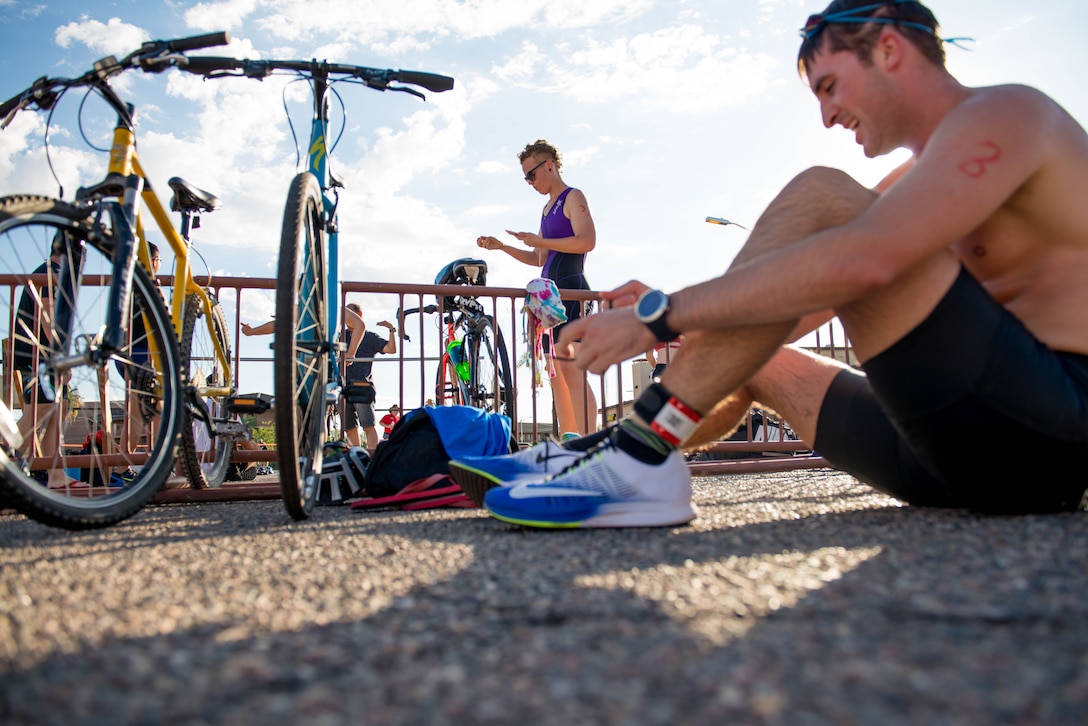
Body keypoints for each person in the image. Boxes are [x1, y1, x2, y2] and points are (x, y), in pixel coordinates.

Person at [458, 0, 1088, 528]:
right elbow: (793, 309)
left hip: (1044, 440)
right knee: (757, 358)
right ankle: (602, 454)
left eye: (831, 86)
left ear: (890, 49)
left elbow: (866, 260)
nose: (826, 115)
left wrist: (657, 317)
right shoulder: (916, 183)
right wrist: (692, 326)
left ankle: (632, 456)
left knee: (823, 193)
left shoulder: (1007, 114)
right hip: (947, 451)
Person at [477, 139, 598, 439]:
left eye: (531, 174)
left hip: (572, 289)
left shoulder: (573, 196)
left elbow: (587, 241)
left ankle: (590, 441)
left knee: (572, 369)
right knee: (556, 372)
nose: (529, 182)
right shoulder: (546, 209)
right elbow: (540, 258)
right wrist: (503, 247)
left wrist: (541, 241)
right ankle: (572, 441)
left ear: (549, 165)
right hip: (549, 296)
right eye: (525, 177)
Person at [341, 302, 396, 449]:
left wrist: (391, 329)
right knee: (349, 427)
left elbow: (391, 349)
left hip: (362, 384)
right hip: (342, 385)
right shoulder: (340, 336)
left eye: (349, 314)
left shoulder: (370, 337)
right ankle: (357, 458)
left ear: (358, 316)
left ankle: (373, 460)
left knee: (368, 426)